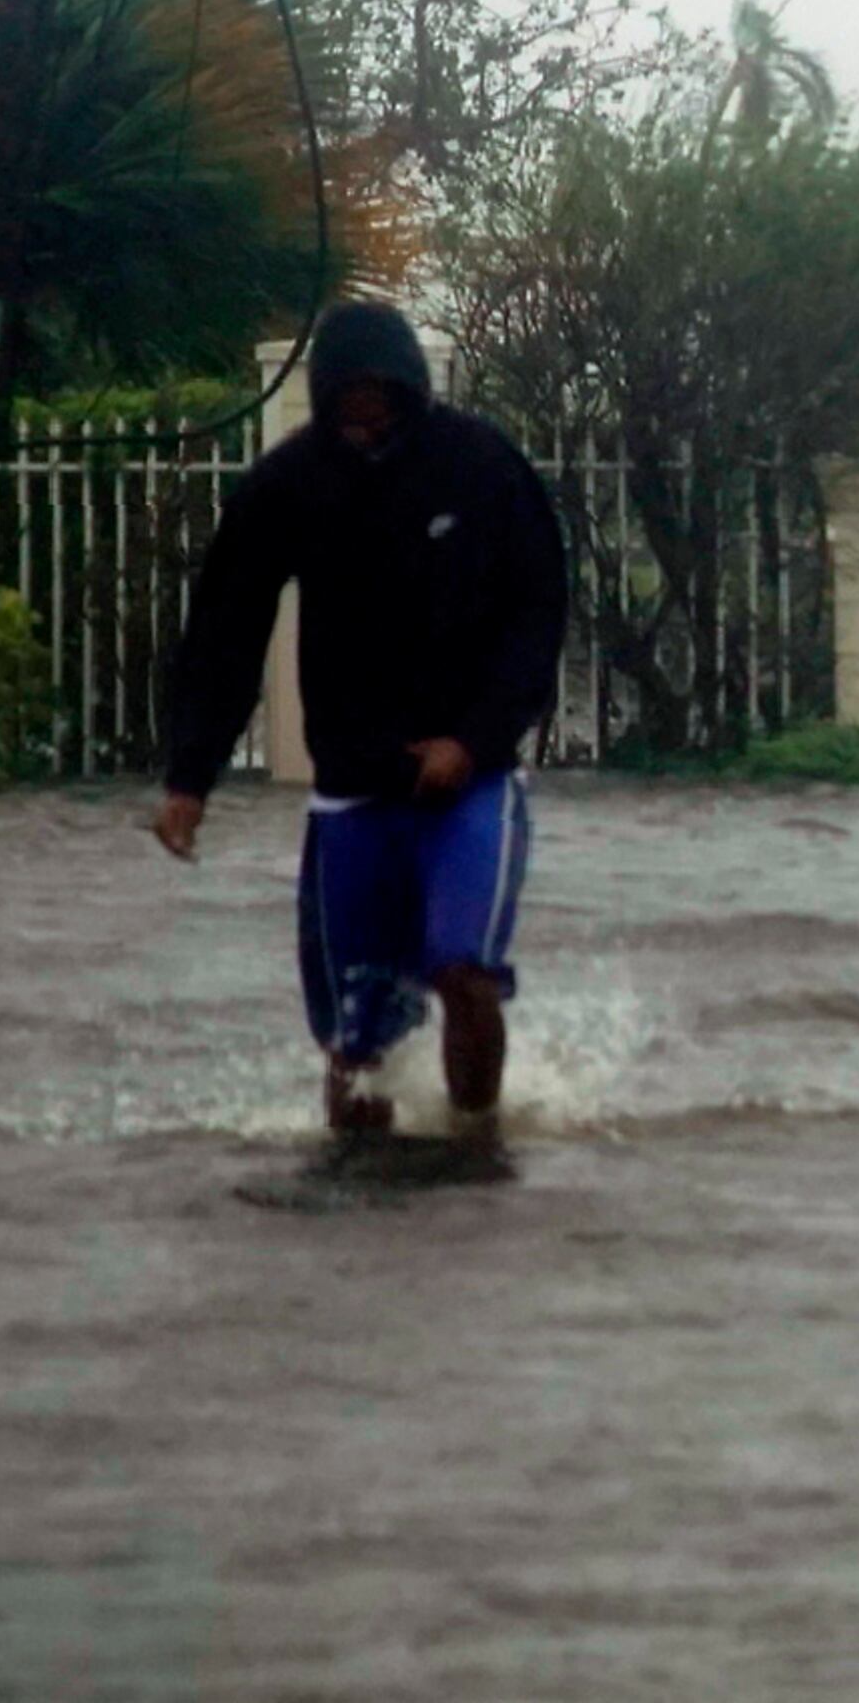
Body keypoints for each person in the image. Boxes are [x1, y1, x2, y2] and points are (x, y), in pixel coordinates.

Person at [153, 304, 568, 1142]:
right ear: (326, 396)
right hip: (352, 796)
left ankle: (477, 1146)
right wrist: (190, 780)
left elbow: (538, 617)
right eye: (350, 397)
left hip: (472, 787)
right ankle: (354, 1193)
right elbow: (227, 633)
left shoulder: (483, 467)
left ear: (412, 390)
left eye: (383, 395)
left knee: (464, 971)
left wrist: (476, 740)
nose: (366, 413)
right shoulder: (287, 486)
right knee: (356, 1043)